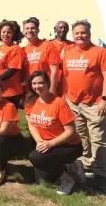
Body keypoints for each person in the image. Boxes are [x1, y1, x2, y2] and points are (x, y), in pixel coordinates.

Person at [62, 20, 106, 189]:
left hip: (95, 103)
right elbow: (66, 76)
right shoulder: (68, 52)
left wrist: (104, 98)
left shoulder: (99, 52)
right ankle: (87, 164)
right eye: (77, 33)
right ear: (72, 35)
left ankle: (101, 173)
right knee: (80, 136)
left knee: (98, 138)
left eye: (83, 33)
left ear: (89, 33)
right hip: (73, 102)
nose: (80, 36)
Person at [25, 71, 84, 195]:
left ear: (48, 83)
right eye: (34, 83)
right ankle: (72, 167)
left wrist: (50, 144)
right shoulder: (30, 101)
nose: (38, 86)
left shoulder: (58, 103)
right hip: (46, 143)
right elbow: (31, 125)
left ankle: (68, 180)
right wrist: (40, 141)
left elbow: (71, 131)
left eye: (41, 82)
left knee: (35, 157)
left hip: (68, 145)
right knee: (42, 180)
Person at [0, 20, 25, 109]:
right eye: (3, 32)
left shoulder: (16, 49)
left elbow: (13, 69)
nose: (5, 34)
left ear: (13, 34)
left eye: (9, 32)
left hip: (11, 92)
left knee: (9, 119)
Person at [22, 17, 60, 95]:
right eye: (27, 28)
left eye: (32, 28)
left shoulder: (48, 46)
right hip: (30, 91)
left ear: (38, 30)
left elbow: (54, 71)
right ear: (23, 32)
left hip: (45, 89)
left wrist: (52, 90)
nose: (29, 30)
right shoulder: (23, 50)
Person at [50, 21, 74, 96]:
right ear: (55, 29)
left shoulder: (73, 45)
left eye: (65, 28)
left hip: (67, 78)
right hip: (52, 77)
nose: (63, 30)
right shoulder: (49, 44)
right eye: (60, 27)